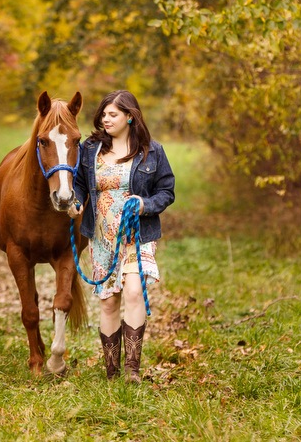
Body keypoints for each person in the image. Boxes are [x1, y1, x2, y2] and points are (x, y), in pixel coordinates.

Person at [69, 90, 175, 382]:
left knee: (133, 291)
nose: (106, 118)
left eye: (113, 114)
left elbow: (166, 191)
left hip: (137, 233)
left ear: (130, 116)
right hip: (102, 236)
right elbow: (79, 183)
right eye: (104, 114)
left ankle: (132, 369)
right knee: (108, 301)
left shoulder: (152, 151)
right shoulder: (90, 150)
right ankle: (112, 371)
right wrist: (77, 202)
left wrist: (145, 204)